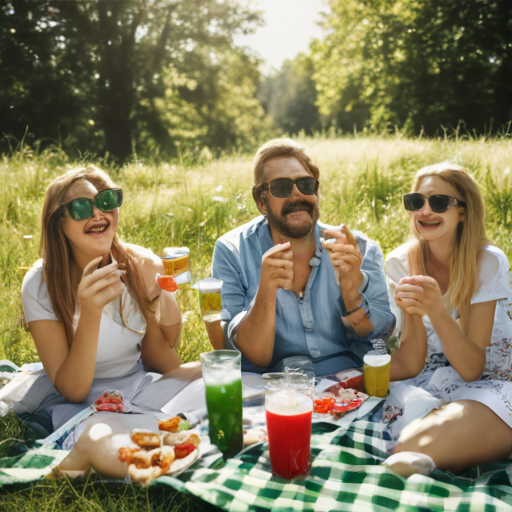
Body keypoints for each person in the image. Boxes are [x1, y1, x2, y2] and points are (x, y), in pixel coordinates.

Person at [14, 166, 201, 435]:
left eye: (106, 201)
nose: (97, 213)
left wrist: (161, 296)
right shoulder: (40, 283)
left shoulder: (138, 264)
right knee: (112, 435)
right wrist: (91, 312)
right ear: (59, 222)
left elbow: (157, 353)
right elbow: (73, 390)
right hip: (82, 402)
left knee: (220, 375)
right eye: (81, 207)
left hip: (136, 383)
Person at [211, 138, 395, 376]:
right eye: (281, 187)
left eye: (306, 184)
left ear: (316, 191)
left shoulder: (358, 247)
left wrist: (352, 290)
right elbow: (250, 356)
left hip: (351, 383)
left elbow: (379, 340)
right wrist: (266, 293)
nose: (297, 195)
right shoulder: (232, 251)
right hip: (272, 387)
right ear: (261, 201)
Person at [383, 163, 512, 476]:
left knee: (421, 446)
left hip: (491, 379)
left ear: (463, 212)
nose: (425, 210)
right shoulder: (401, 262)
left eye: (438, 202)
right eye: (416, 202)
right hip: (430, 379)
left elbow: (471, 368)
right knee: (407, 444)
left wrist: (436, 309)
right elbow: (413, 361)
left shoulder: (487, 262)